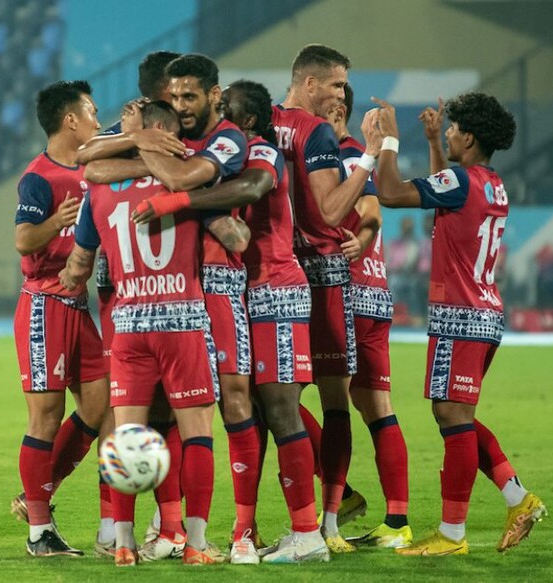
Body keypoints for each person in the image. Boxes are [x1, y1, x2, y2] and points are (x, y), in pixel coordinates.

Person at [131, 80, 329, 564]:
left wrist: (184, 202)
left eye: (229, 113)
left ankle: (304, 532)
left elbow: (252, 192)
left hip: (273, 289)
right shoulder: (200, 152)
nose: (221, 121)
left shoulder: (257, 151)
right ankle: (204, 528)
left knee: (274, 411)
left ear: (248, 122)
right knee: (195, 407)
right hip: (220, 289)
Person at [61, 100, 250, 567]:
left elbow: (78, 266)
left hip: (127, 325)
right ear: (165, 134)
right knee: (197, 433)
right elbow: (235, 237)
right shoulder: (181, 179)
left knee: (125, 437)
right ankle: (197, 544)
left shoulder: (99, 188)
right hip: (181, 320)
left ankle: (124, 544)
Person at [366, 92, 546, 556]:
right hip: (485, 313)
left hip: (459, 316)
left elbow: (390, 193)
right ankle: (517, 497)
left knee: (452, 417)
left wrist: (388, 141)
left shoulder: (462, 180)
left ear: (468, 136)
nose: (447, 130)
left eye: (452, 128)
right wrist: (433, 145)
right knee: (456, 415)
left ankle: (452, 535)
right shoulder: (492, 182)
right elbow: (448, 189)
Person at [271, 44, 372, 550]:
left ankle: (309, 521)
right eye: (334, 84)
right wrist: (369, 157)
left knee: (276, 398)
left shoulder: (263, 121)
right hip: (323, 273)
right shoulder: (317, 132)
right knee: (334, 401)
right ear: (308, 83)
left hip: (271, 273)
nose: (339, 95)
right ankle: (327, 521)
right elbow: (333, 211)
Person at [12, 80, 109, 557]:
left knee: (100, 404)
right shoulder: (39, 177)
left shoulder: (94, 167)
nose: (97, 118)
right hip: (45, 306)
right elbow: (24, 241)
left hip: (78, 307)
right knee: (45, 417)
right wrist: (57, 221)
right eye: (90, 111)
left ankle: (35, 496)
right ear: (70, 120)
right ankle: (39, 532)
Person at [326, 84, 412, 548]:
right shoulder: (353, 153)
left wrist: (359, 236)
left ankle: (331, 519)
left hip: (347, 290)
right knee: (377, 409)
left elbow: (372, 208)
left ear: (338, 109)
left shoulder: (341, 153)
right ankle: (398, 524)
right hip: (375, 292)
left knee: (286, 399)